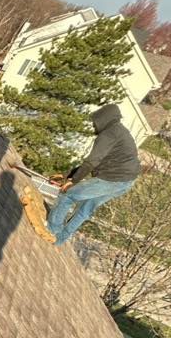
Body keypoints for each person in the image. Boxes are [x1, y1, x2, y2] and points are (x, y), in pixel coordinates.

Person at [47, 104, 140, 246]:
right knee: (85, 209)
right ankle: (60, 239)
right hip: (126, 182)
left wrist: (73, 181)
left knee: (68, 194)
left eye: (95, 123)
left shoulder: (108, 134)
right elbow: (97, 161)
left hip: (112, 180)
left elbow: (91, 162)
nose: (93, 126)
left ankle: (52, 230)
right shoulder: (119, 131)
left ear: (103, 119)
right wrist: (68, 175)